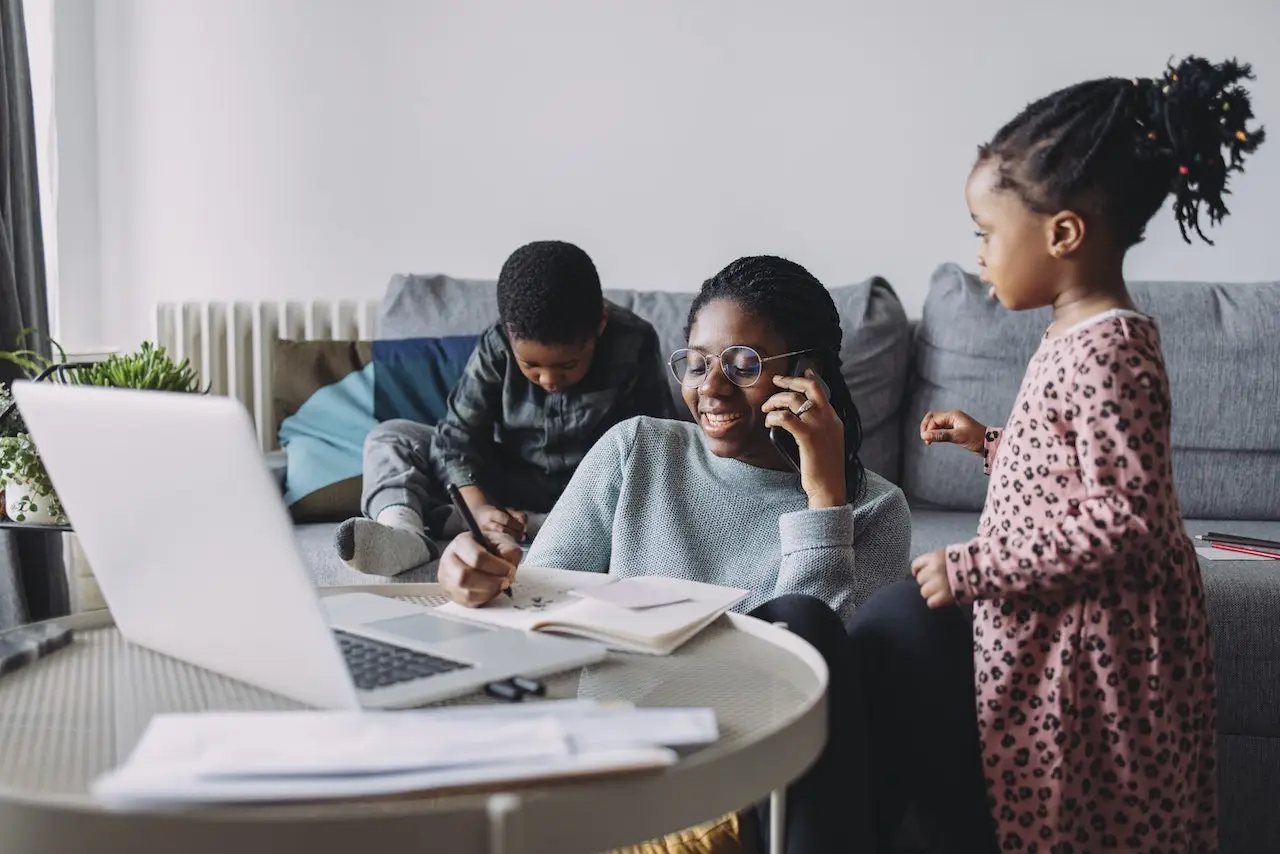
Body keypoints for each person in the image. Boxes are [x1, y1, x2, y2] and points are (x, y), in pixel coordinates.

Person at [847, 56, 1264, 853]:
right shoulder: (1078, 334)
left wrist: (975, 568)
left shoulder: (1111, 348)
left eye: (985, 234)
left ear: (1063, 233)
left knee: (1088, 814)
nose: (977, 255)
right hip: (1067, 622)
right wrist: (992, 443)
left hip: (1097, 646)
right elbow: (1073, 471)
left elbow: (1125, 520)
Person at [437, 254, 913, 853]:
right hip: (632, 771)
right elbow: (536, 609)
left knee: (807, 621)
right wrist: (475, 585)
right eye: (696, 362)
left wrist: (823, 500)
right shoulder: (636, 449)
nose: (709, 387)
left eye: (742, 364)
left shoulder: (874, 510)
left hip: (769, 792)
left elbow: (820, 695)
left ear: (805, 372)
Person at [335, 240, 675, 577]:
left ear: (600, 326)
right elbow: (457, 438)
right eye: (531, 365)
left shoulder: (635, 343)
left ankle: (519, 524)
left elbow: (653, 445)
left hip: (592, 491)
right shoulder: (496, 344)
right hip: (509, 477)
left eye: (568, 365)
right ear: (510, 336)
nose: (549, 380)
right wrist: (479, 506)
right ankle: (405, 532)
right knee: (392, 436)